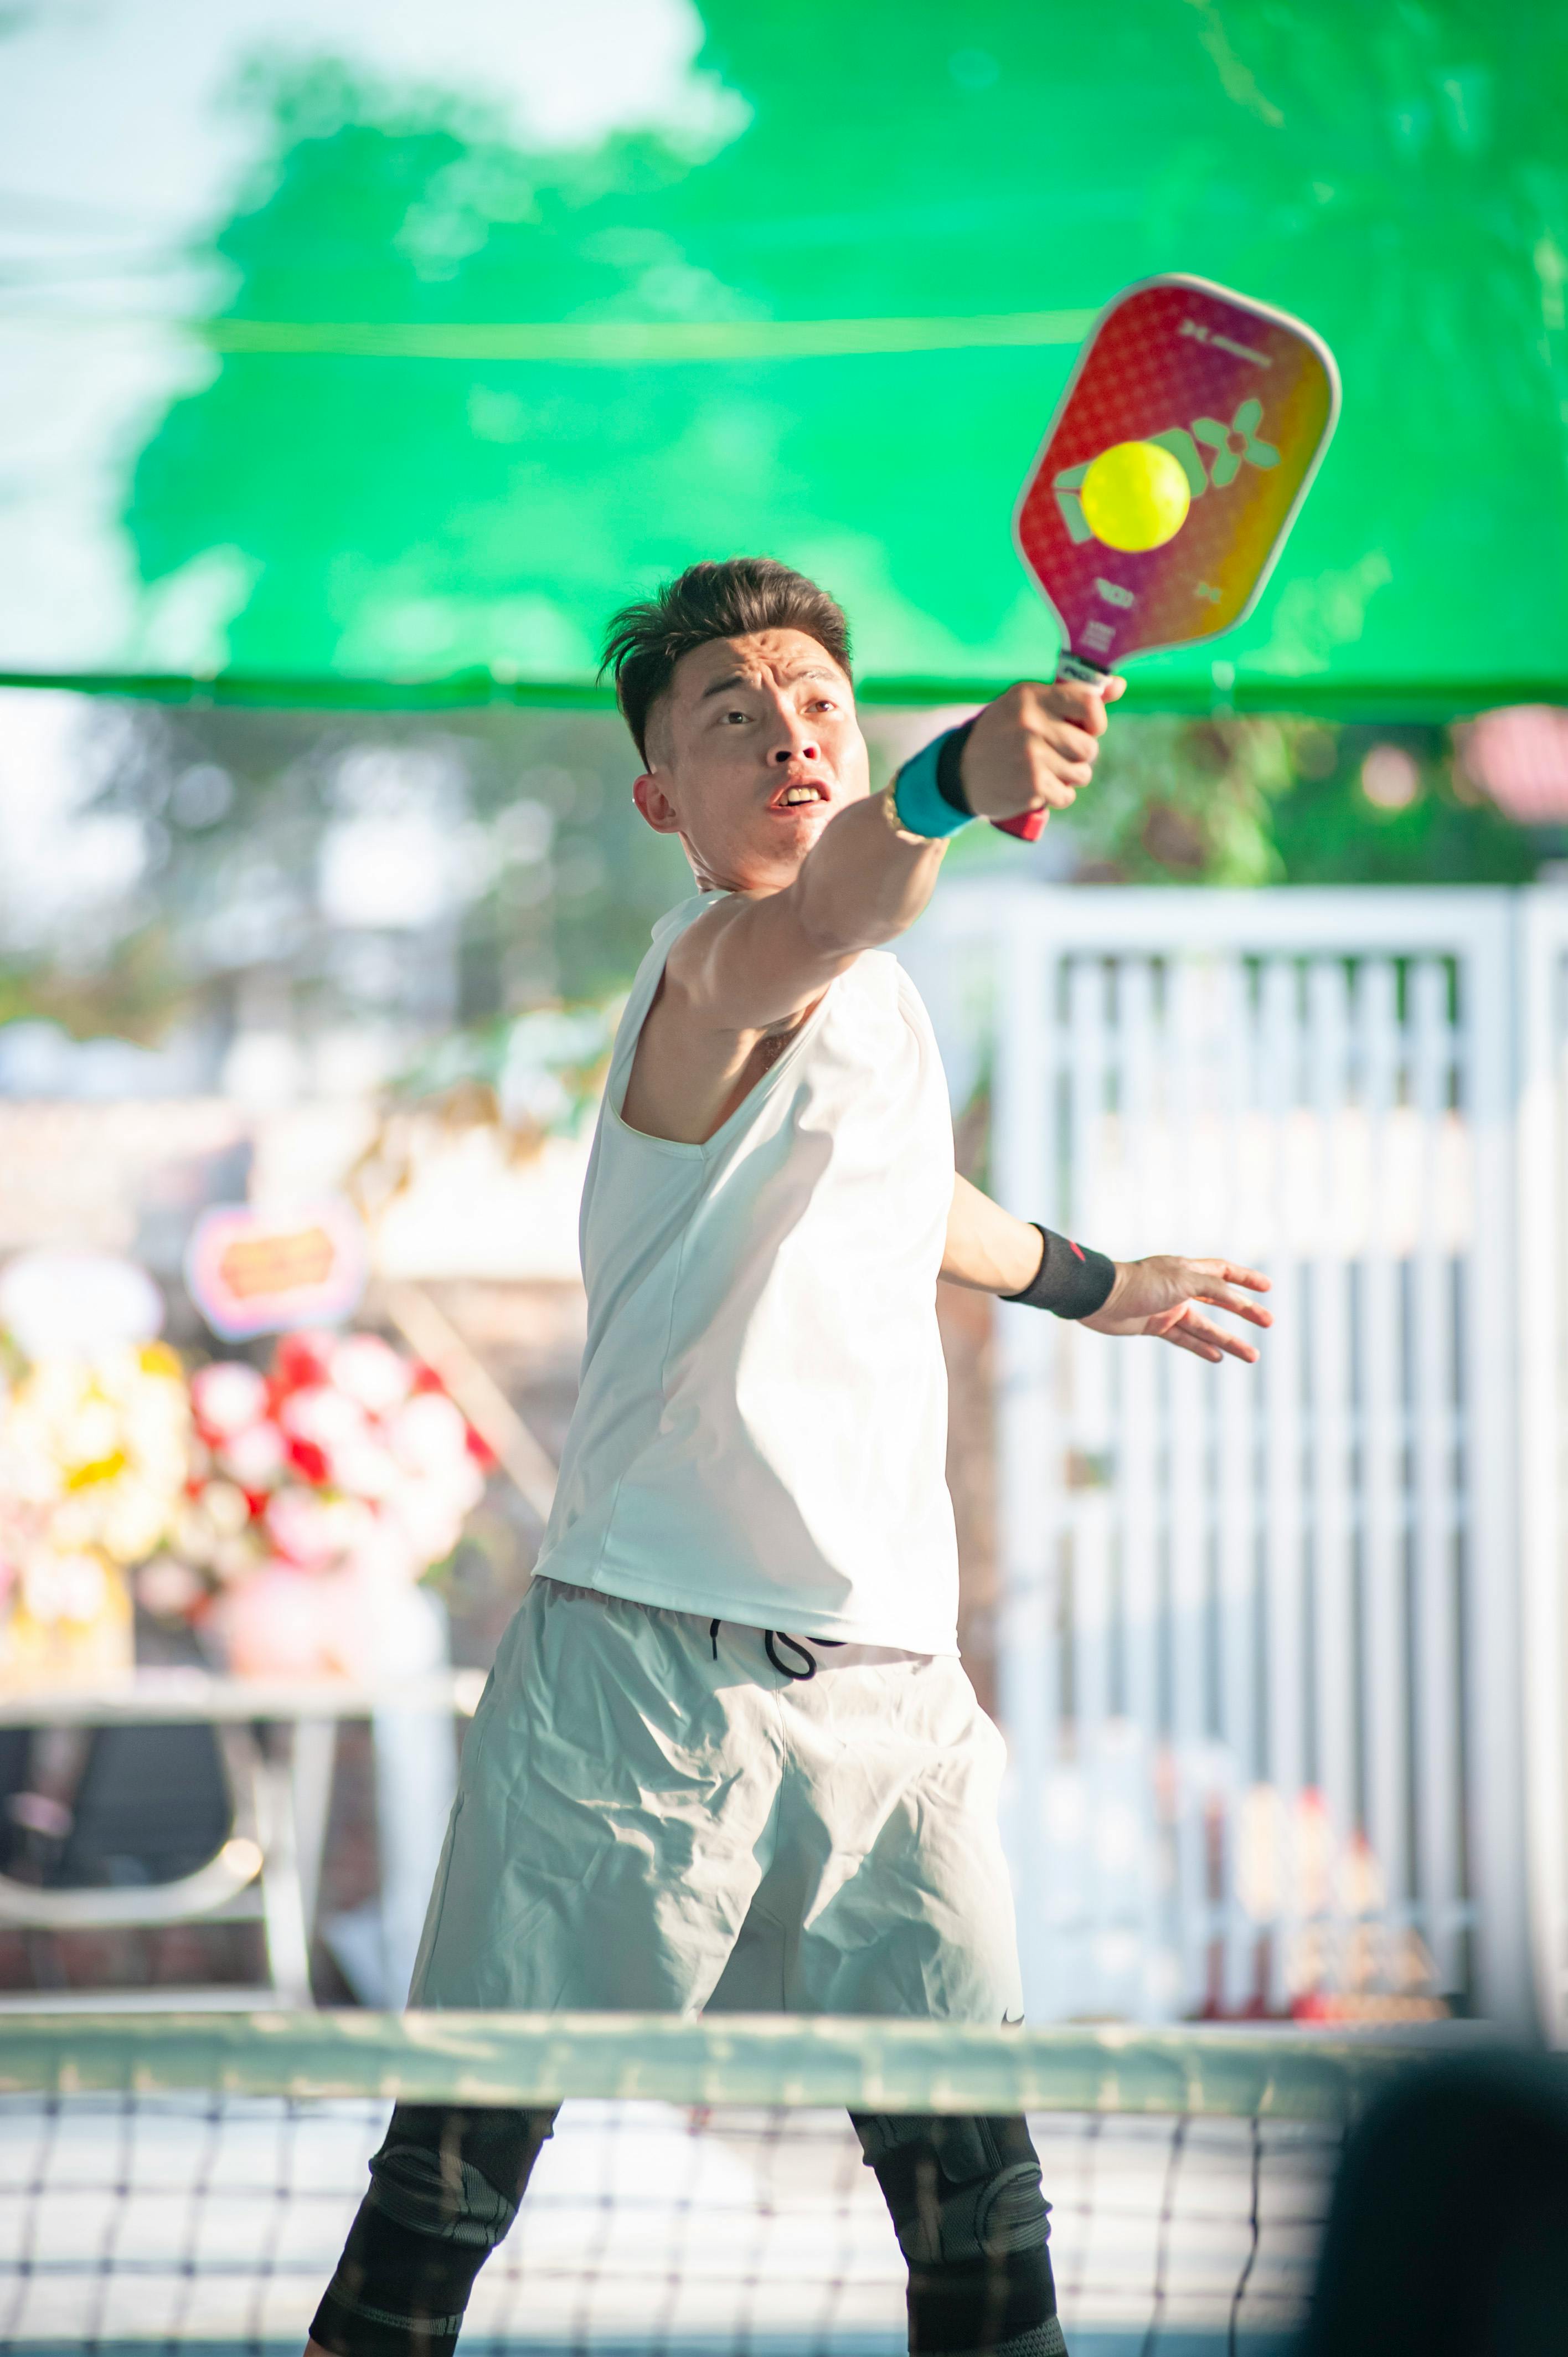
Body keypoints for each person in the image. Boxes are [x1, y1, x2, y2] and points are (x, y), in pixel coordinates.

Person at [306, 557, 1271, 2357]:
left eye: (821, 704)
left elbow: (912, 1191)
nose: (791, 734)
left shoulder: (873, 1001)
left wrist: (1098, 1284)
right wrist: (949, 785)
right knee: (446, 2192)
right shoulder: (718, 964)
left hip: (893, 1688)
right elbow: (834, 907)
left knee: (978, 2201)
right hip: (636, 1681)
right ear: (665, 800)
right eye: (734, 715)